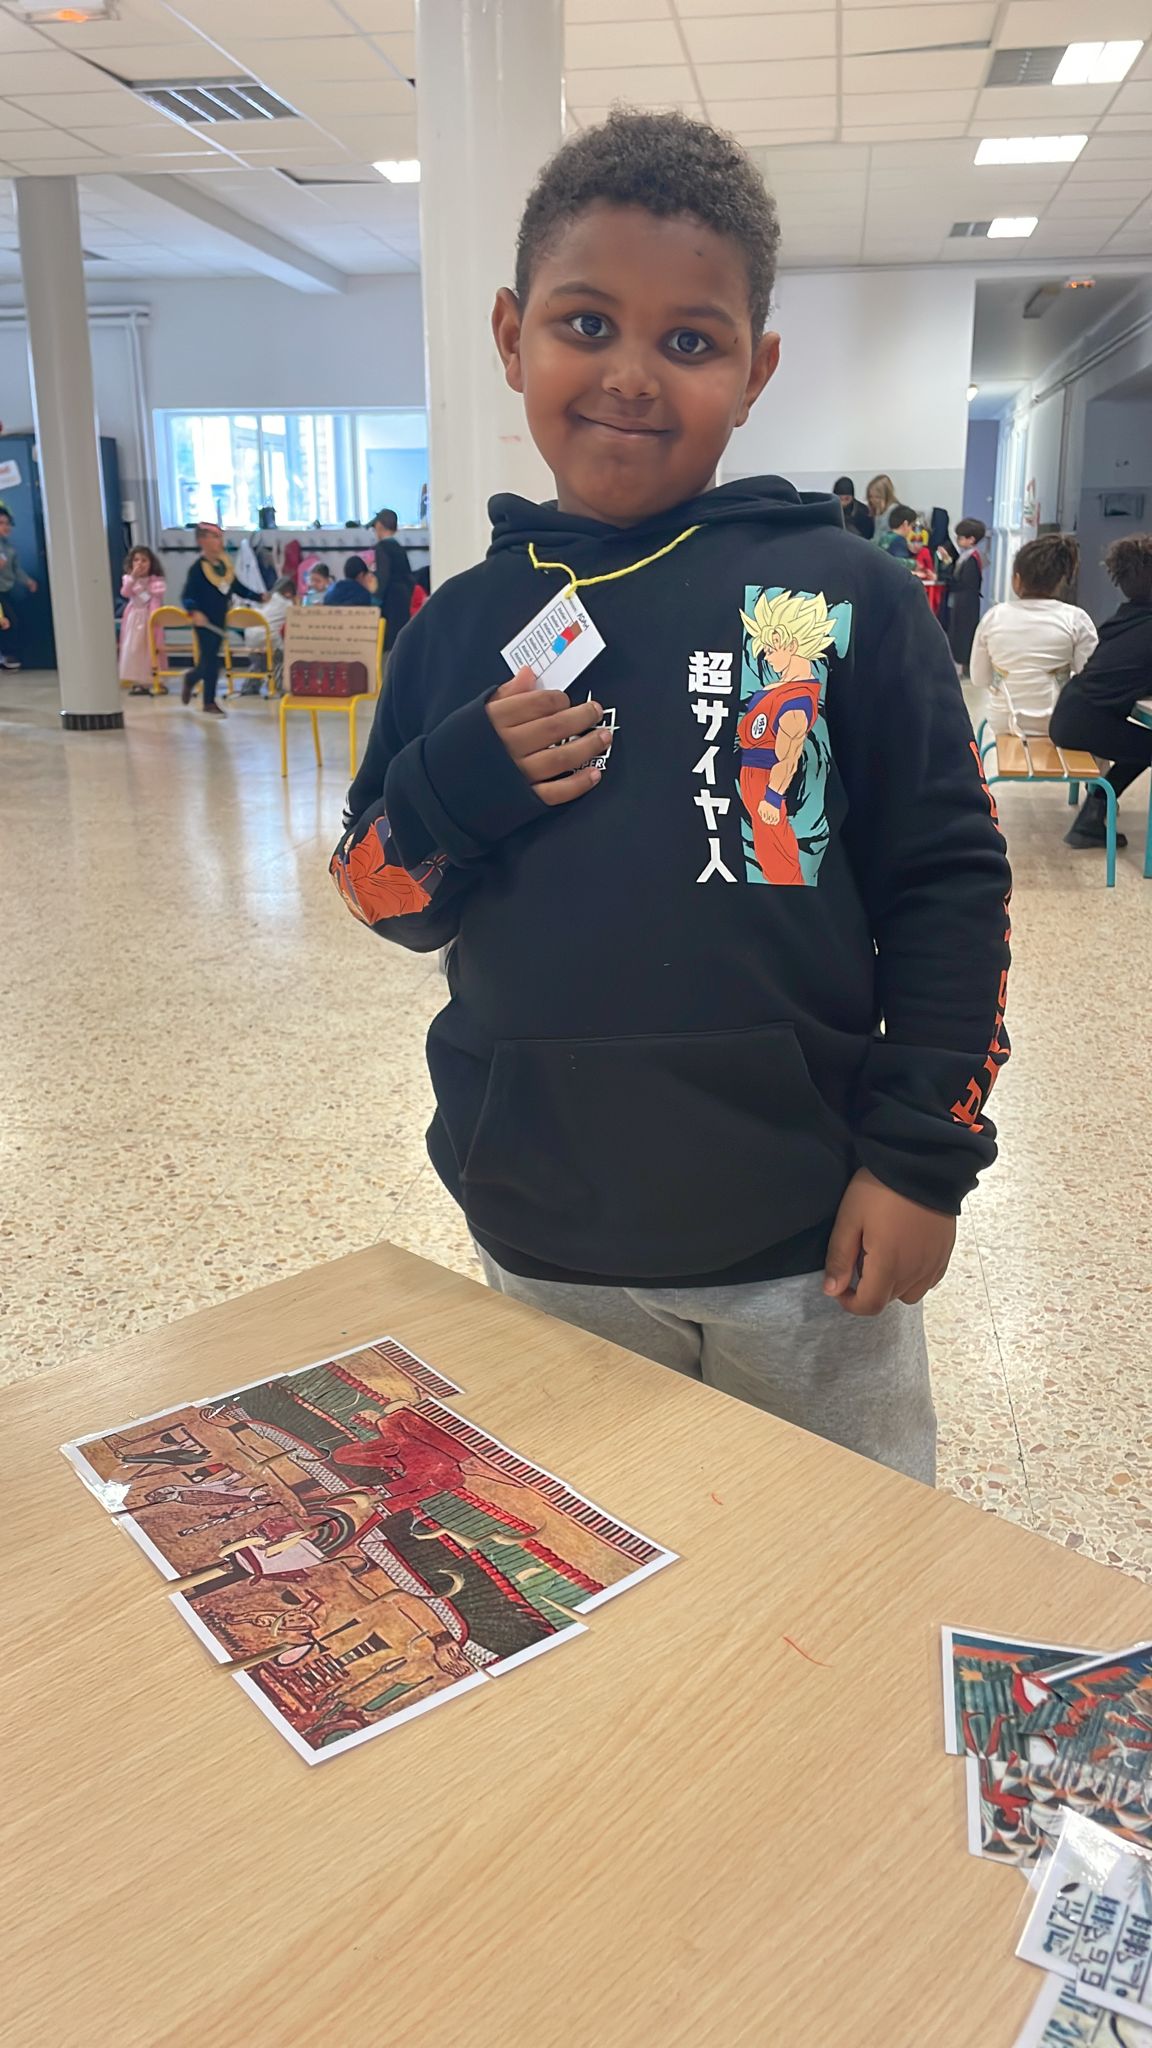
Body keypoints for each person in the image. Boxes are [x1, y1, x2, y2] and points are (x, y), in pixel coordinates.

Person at [329, 109, 1011, 1487]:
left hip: (807, 1242)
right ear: (512, 335)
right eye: (586, 324)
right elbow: (382, 896)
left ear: (755, 370)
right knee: (600, 1556)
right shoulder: (457, 631)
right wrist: (456, 784)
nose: (632, 375)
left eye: (690, 340)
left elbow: (950, 884)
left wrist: (921, 1156)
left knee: (837, 1559)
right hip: (543, 1232)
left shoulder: (834, 597)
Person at [1051, 533, 1152, 850]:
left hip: (1071, 713)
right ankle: (1090, 819)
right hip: (1086, 723)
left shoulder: (1126, 616)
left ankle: (1093, 814)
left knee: (1143, 746)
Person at [969, 534, 1096, 739]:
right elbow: (1089, 678)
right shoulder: (1076, 618)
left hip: (1005, 721)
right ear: (1060, 581)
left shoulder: (994, 616)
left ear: (1017, 579)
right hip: (1059, 722)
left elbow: (979, 678)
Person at [180, 523, 264, 717]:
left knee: (207, 662)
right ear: (202, 541)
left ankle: (191, 678)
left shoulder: (224, 566)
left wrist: (259, 596)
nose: (220, 541)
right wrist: (194, 611)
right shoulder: (197, 569)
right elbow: (187, 596)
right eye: (215, 537)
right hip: (204, 623)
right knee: (212, 662)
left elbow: (238, 588)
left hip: (219, 621)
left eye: (220, 537)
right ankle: (209, 702)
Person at [118, 547, 167, 696]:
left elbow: (155, 599)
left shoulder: (156, 581)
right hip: (134, 618)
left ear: (151, 563)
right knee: (134, 649)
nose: (140, 564)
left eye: (144, 560)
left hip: (149, 617)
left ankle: (155, 679)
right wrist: (133, 577)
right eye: (136, 560)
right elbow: (125, 592)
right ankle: (138, 681)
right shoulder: (129, 579)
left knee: (151, 648)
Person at [0, 502, 38, 672]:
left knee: (12, 621)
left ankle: (7, 656)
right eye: (1, 523)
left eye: (7, 523)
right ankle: (7, 655)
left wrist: (28, 581)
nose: (5, 527)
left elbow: (16, 570)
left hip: (5, 590)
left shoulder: (9, 549)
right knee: (8, 621)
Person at [947, 519, 987, 675]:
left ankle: (964, 666)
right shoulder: (966, 556)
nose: (958, 540)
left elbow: (965, 582)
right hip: (963, 599)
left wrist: (949, 578)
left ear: (971, 539)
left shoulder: (972, 558)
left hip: (966, 602)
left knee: (963, 633)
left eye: (961, 537)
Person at [372, 508, 414, 655]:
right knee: (399, 642)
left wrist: (375, 600)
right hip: (403, 599)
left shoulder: (381, 548)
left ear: (379, 526)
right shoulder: (399, 548)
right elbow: (409, 576)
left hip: (390, 601)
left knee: (387, 645)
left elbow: (383, 576)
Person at [865, 474, 898, 542]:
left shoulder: (894, 511)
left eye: (877, 497)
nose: (873, 500)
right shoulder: (877, 510)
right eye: (870, 497)